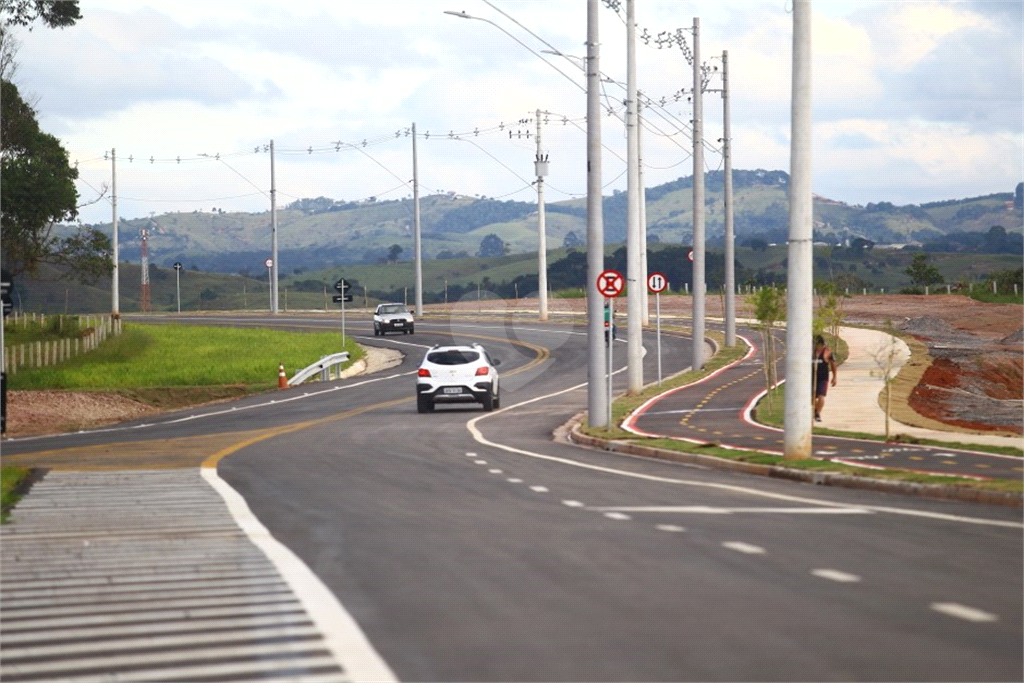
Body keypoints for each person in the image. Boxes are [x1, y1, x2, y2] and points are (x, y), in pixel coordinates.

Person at [813, 334, 837, 422]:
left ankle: (818, 413)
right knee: (810, 398)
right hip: (811, 378)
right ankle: (815, 410)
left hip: (823, 378)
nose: (819, 347)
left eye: (821, 345)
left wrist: (834, 377)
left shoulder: (827, 352)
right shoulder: (810, 352)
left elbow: (833, 365)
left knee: (821, 396)